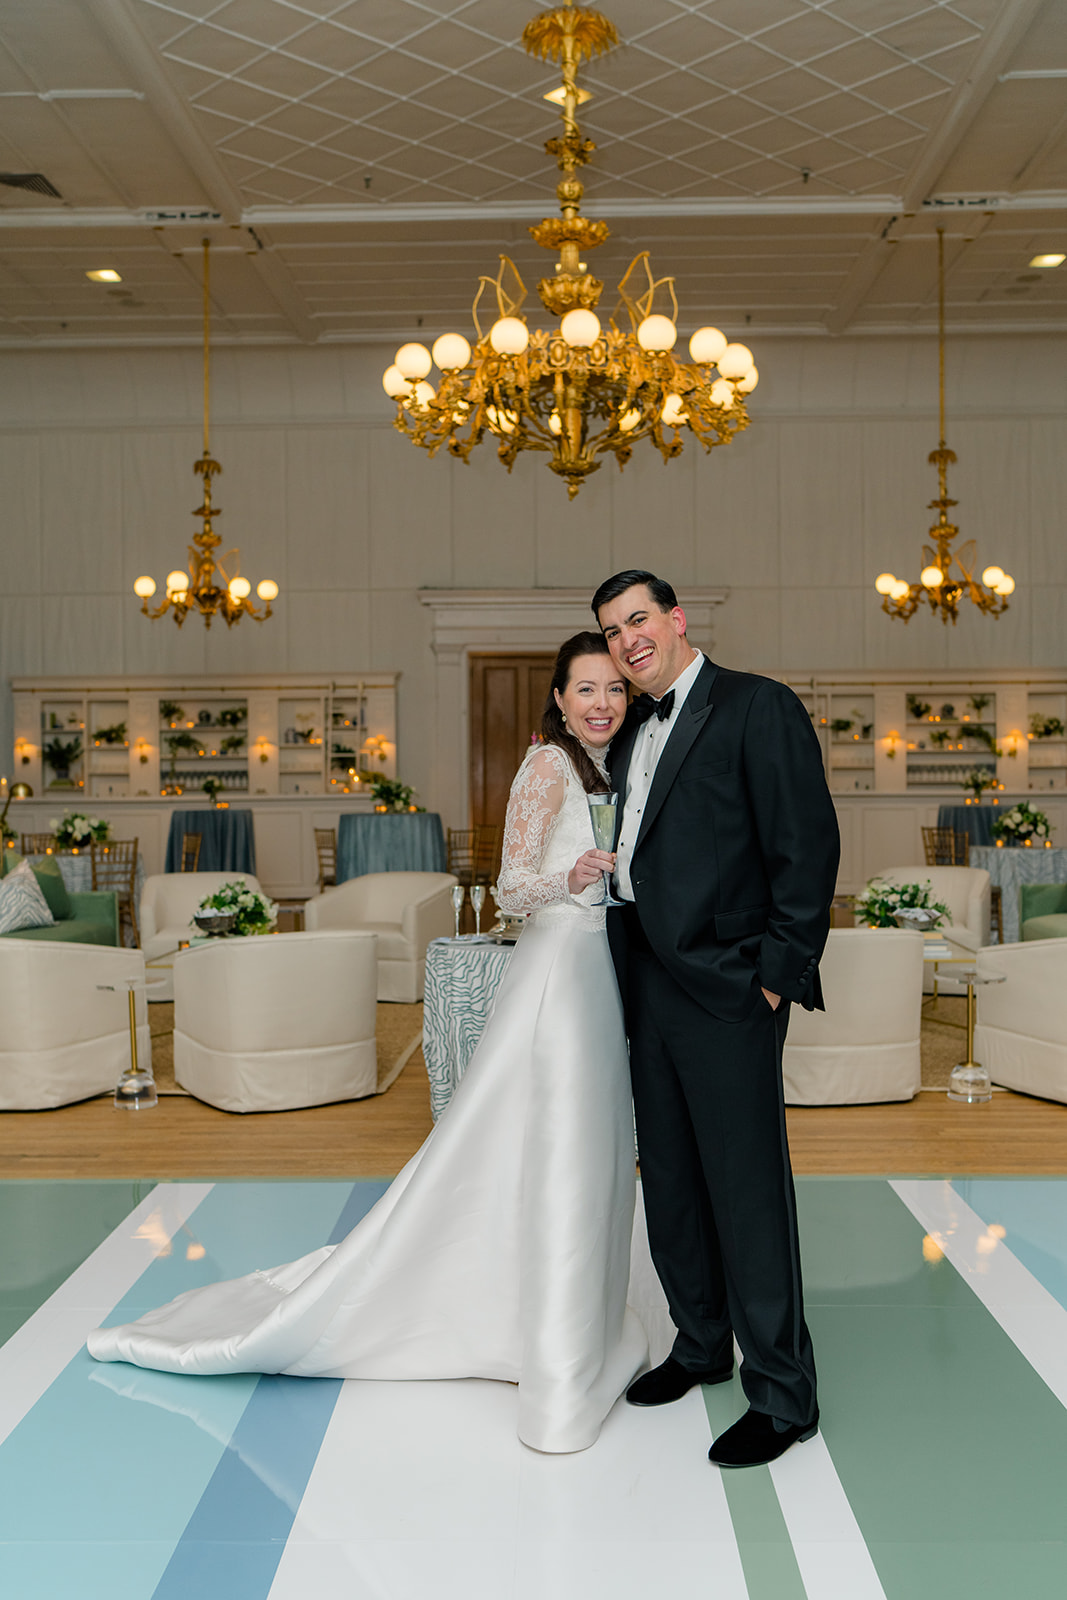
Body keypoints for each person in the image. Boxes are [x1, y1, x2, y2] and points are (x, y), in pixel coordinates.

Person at [88, 632, 648, 1455]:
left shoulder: (602, 769)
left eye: (614, 691)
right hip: (554, 977)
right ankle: (554, 1367)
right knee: (549, 1140)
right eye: (585, 690)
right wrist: (565, 881)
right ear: (558, 700)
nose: (601, 704)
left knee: (581, 1147)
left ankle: (563, 1317)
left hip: (591, 971)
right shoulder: (545, 766)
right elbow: (508, 883)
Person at [590, 569, 840, 1469]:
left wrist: (771, 979)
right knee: (672, 1183)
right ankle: (701, 1347)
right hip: (645, 989)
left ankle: (782, 1396)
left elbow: (804, 848)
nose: (627, 640)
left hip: (729, 991)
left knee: (745, 1193)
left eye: (638, 620)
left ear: (676, 619)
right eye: (613, 632)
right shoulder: (628, 734)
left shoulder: (755, 707)